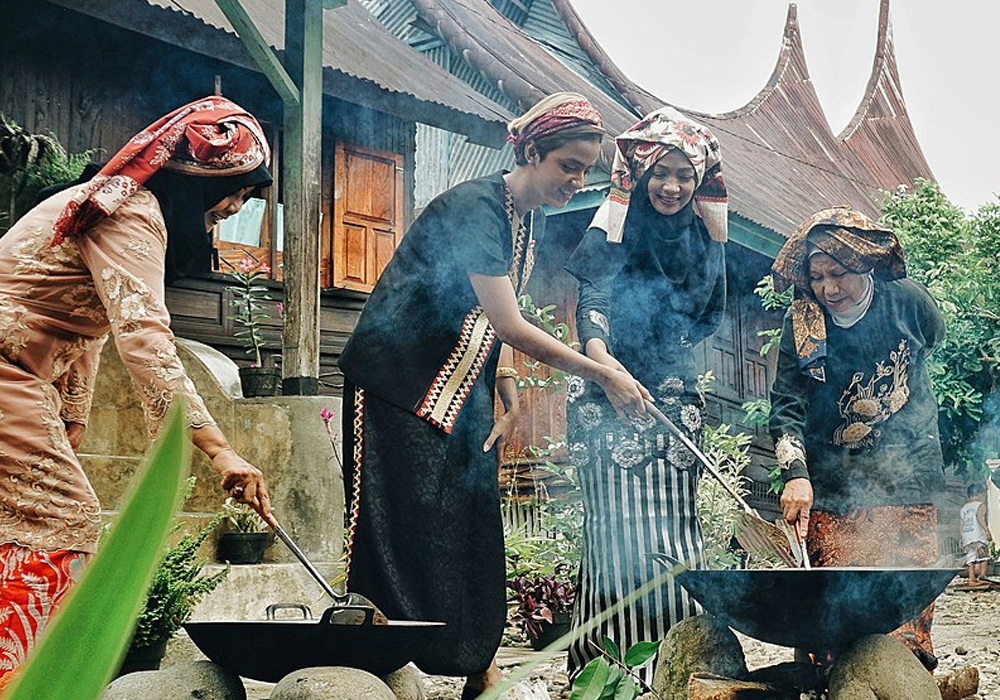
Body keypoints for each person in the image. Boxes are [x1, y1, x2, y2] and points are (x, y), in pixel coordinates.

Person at [337, 92, 651, 697]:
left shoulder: (523, 215)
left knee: (472, 514)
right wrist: (601, 372)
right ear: (532, 151)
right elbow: (509, 322)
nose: (576, 180)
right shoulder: (477, 206)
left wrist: (507, 393)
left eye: (586, 169)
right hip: (398, 377)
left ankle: (476, 663)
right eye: (568, 166)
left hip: (462, 382)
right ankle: (373, 663)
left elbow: (489, 318)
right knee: (400, 517)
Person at [0, 96, 276, 689]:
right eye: (238, 193)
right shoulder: (130, 213)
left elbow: (89, 332)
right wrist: (217, 448)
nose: (233, 209)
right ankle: (20, 682)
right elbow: (143, 337)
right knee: (63, 519)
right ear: (201, 178)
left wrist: (69, 420)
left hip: (24, 382)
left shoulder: (119, 211)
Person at [561, 106, 728, 684]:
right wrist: (606, 365)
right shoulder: (617, 226)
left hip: (674, 402)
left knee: (675, 529)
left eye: (685, 174)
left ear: (700, 180)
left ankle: (681, 666)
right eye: (661, 172)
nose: (673, 186)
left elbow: (707, 317)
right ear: (641, 173)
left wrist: (666, 359)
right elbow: (593, 304)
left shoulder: (707, 242)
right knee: (612, 532)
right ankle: (605, 673)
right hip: (603, 395)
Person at [768, 206, 946, 670]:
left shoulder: (908, 300)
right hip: (833, 481)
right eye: (819, 276)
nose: (829, 288)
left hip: (909, 473)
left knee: (901, 604)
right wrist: (795, 474)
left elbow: (933, 339)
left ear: (864, 262)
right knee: (830, 619)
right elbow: (787, 405)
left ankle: (903, 680)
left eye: (840, 273)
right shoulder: (802, 324)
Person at [959, 482, 992, 587]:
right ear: (980, 494)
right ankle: (982, 576)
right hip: (977, 535)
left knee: (971, 557)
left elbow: (961, 524)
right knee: (983, 556)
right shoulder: (981, 505)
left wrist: (960, 538)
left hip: (966, 535)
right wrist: (986, 530)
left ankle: (971, 578)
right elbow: (979, 517)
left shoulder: (964, 508)